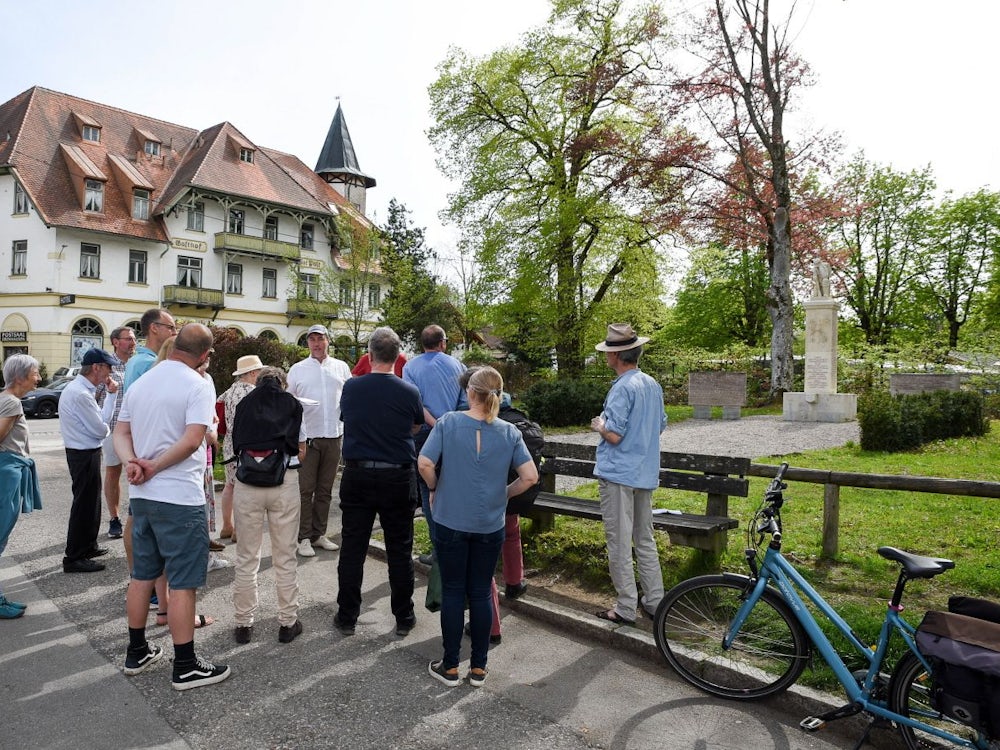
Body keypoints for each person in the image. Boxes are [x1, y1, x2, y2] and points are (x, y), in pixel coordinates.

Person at [114, 323, 231, 691]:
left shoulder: (143, 381)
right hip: (179, 497)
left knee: (142, 575)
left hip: (143, 497)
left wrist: (134, 462)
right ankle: (185, 665)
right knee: (183, 582)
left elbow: (120, 432)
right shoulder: (196, 385)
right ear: (204, 355)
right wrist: (154, 465)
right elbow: (194, 439)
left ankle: (137, 651)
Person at [418, 366, 538, 688]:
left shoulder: (448, 423)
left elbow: (425, 463)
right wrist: (505, 493)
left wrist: (433, 488)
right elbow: (530, 477)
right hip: (489, 524)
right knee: (482, 589)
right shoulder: (510, 432)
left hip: (450, 520)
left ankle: (451, 666)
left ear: (470, 392)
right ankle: (480, 669)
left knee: (454, 590)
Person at [335, 327, 424, 637]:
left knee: (352, 547)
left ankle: (347, 616)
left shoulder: (351, 387)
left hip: (358, 474)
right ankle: (404, 617)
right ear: (398, 356)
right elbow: (415, 424)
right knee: (399, 549)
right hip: (397, 475)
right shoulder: (409, 391)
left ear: (369, 354)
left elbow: (348, 418)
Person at [589, 323, 667, 625]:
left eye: (609, 351)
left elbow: (615, 436)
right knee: (644, 539)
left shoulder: (621, 387)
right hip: (644, 472)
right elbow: (660, 425)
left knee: (620, 542)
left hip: (619, 473)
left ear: (619, 355)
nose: (605, 356)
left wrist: (599, 426)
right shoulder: (652, 384)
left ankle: (624, 607)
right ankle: (655, 601)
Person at [230, 366, 305, 645]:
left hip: (248, 482)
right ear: (282, 383)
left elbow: (235, 443)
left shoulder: (245, 404)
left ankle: (243, 623)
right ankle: (287, 622)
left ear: (257, 383)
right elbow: (301, 447)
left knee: (247, 556)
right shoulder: (292, 405)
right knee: (285, 556)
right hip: (283, 481)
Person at [287, 324, 351, 557]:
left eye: (320, 339)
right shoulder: (297, 369)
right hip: (308, 437)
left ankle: (318, 534)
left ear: (328, 341)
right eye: (311, 339)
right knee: (305, 489)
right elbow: (289, 402)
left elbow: (348, 397)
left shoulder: (341, 367)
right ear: (307, 343)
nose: (316, 343)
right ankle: (303, 537)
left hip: (334, 435)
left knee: (325, 490)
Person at [403, 324, 466, 561]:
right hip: (455, 432)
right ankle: (455, 544)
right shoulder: (458, 366)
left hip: (424, 435)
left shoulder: (410, 367)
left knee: (427, 488)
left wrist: (435, 422)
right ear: (443, 343)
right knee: (454, 486)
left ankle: (438, 549)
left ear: (422, 344)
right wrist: (448, 423)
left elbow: (414, 402)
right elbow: (464, 402)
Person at [59, 348, 119, 574]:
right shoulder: (81, 394)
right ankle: (74, 556)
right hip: (83, 454)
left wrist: (110, 396)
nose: (110, 372)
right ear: (96, 367)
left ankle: (87, 546)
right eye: (108, 367)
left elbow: (100, 423)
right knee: (84, 504)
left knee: (91, 502)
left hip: (85, 453)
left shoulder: (82, 389)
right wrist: (111, 398)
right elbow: (101, 429)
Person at [0, 354, 43, 618]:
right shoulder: (12, 403)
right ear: (19, 377)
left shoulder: (5, 399)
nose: (38, 377)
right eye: (35, 373)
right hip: (7, 473)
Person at [216, 355, 265, 543]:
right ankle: (238, 528)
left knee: (230, 485)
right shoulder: (253, 392)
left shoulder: (228, 392)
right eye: (258, 371)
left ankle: (226, 525)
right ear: (252, 372)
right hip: (247, 446)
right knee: (243, 489)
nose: (260, 375)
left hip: (230, 445)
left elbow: (219, 414)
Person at [97, 326, 137, 540]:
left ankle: (136, 515)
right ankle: (114, 519)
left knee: (138, 471)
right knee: (113, 472)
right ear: (115, 341)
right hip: (113, 430)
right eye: (128, 339)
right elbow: (93, 397)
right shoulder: (106, 366)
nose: (133, 343)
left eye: (134, 339)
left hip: (137, 430)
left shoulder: (138, 364)